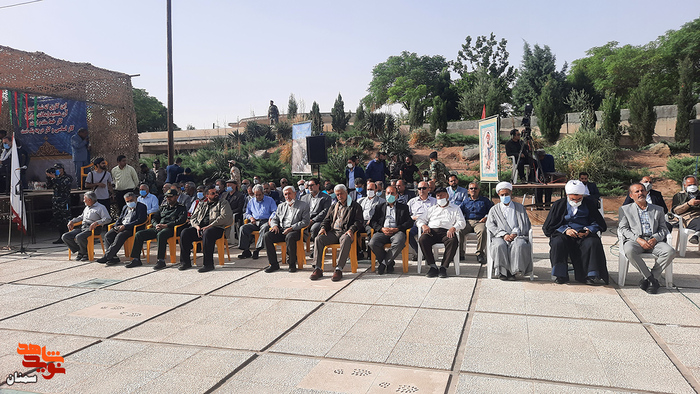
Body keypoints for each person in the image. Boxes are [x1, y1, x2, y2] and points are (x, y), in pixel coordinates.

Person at [543, 180, 608, 285]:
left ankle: (589, 275)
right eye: (573, 199)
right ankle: (560, 275)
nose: (576, 201)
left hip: (584, 235)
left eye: (579, 199)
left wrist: (588, 230)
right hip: (564, 234)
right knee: (558, 242)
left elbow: (598, 222)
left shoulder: (590, 204)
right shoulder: (559, 204)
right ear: (567, 195)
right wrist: (566, 230)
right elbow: (550, 225)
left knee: (592, 243)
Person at [619, 183, 675, 294]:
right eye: (637, 192)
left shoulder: (658, 209)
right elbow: (623, 229)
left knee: (670, 251)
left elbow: (664, 229)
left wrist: (654, 239)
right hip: (635, 241)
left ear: (646, 192)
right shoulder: (625, 209)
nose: (640, 193)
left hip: (654, 241)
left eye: (642, 191)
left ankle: (649, 278)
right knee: (629, 250)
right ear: (631, 195)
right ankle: (652, 280)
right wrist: (638, 240)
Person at [310, 184, 363, 281]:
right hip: (333, 232)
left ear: (346, 192)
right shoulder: (334, 206)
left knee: (346, 239)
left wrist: (351, 229)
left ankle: (339, 269)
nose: (339, 196)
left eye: (341, 194)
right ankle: (318, 268)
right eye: (337, 195)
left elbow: (358, 221)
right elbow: (326, 220)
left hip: (345, 232)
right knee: (318, 239)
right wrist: (323, 228)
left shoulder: (355, 206)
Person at [125, 189, 188, 269]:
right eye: (167, 197)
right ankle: (136, 259)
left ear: (176, 197)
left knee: (161, 235)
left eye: (171, 197)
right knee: (139, 234)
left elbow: (181, 220)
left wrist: (166, 225)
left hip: (171, 229)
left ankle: (161, 260)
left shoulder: (181, 208)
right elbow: (154, 218)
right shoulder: (163, 207)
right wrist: (156, 225)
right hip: (159, 227)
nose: (168, 198)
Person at [179, 185, 233, 272]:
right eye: (213, 193)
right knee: (185, 232)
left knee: (208, 233)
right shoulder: (202, 205)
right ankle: (185, 262)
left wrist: (209, 226)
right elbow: (193, 218)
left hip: (217, 228)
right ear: (207, 195)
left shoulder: (223, 203)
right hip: (201, 228)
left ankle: (208, 264)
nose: (216, 194)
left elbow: (225, 217)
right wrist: (197, 227)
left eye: (216, 192)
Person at [486, 182, 532, 280]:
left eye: (507, 194)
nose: (505, 196)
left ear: (511, 193)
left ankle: (513, 272)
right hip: (500, 236)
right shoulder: (494, 209)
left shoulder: (519, 207)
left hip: (517, 235)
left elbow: (524, 223)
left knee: (520, 245)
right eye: (502, 195)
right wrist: (503, 234)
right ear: (499, 195)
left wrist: (515, 233)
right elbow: (490, 224)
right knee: (499, 245)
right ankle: (502, 272)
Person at [416, 187, 466, 278]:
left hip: (447, 232)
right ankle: (432, 266)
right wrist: (424, 225)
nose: (439, 197)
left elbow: (462, 222)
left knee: (453, 241)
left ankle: (444, 267)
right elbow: (420, 220)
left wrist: (454, 228)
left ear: (447, 196)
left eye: (441, 195)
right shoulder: (432, 209)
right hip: (432, 231)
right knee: (423, 239)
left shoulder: (455, 208)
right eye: (437, 196)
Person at [263, 186, 310, 273]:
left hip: (295, 230)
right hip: (282, 229)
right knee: (267, 236)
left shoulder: (303, 205)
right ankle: (273, 264)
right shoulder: (281, 206)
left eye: (289, 194)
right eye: (285, 194)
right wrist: (275, 226)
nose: (288, 196)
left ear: (295, 194)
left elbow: (305, 221)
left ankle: (292, 264)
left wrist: (292, 228)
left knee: (290, 236)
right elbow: (274, 219)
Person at [368, 186, 414, 274]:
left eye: (392, 193)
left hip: (397, 231)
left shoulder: (403, 207)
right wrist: (381, 229)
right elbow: (373, 222)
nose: (390, 195)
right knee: (372, 243)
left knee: (399, 241)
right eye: (388, 193)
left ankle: (384, 263)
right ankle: (389, 262)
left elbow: (409, 222)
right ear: (385, 194)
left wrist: (397, 228)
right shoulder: (379, 207)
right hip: (383, 231)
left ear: (396, 195)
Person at [100, 192, 148, 265]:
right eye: (127, 201)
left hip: (132, 228)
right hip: (122, 226)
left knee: (120, 236)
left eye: (131, 200)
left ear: (135, 199)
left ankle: (107, 256)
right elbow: (121, 218)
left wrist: (125, 226)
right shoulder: (125, 207)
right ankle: (113, 258)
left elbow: (141, 220)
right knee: (108, 235)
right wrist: (116, 226)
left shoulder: (141, 206)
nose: (129, 203)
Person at [63, 192, 112, 261]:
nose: (83, 201)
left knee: (79, 237)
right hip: (83, 227)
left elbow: (108, 219)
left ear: (89, 200)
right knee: (66, 236)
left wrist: (97, 222)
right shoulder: (87, 208)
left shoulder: (101, 207)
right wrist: (72, 221)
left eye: (84, 199)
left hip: (94, 228)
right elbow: (81, 217)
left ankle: (85, 253)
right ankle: (82, 251)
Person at [239, 184, 277, 259]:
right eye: (256, 195)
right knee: (243, 228)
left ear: (263, 193)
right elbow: (247, 213)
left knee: (265, 228)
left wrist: (271, 218)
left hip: (266, 221)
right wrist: (251, 217)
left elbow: (275, 211)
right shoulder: (251, 201)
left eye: (260, 195)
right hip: (255, 222)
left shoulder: (270, 200)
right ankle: (246, 250)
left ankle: (257, 250)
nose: (258, 197)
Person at [459, 182, 494, 264]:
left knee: (482, 231)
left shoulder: (484, 200)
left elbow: (492, 211)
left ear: (479, 190)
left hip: (480, 221)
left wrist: (486, 217)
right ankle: (460, 253)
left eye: (475, 188)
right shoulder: (465, 201)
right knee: (459, 231)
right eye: (471, 188)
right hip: (468, 221)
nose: (473, 190)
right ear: (468, 191)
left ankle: (480, 254)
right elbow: (459, 212)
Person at [408, 181, 437, 259]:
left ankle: (426, 254)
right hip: (416, 223)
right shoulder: (412, 201)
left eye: (424, 188)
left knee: (427, 236)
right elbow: (406, 215)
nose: (421, 190)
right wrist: (413, 217)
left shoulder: (434, 201)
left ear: (428, 189)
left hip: (429, 223)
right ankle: (420, 252)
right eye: (419, 188)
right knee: (407, 234)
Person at [46, 163, 74, 244]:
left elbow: (63, 186)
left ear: (62, 169)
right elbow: (49, 186)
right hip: (56, 202)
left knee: (66, 219)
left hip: (64, 201)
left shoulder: (67, 178)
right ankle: (61, 237)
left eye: (59, 169)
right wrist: (48, 177)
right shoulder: (55, 178)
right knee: (58, 220)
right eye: (56, 169)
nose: (58, 171)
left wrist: (54, 178)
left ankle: (69, 237)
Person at [300, 178, 332, 243]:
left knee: (314, 228)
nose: (310, 187)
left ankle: (315, 248)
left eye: (312, 185)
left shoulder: (326, 197)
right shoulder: (304, 198)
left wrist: (313, 220)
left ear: (318, 185)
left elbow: (325, 211)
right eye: (308, 186)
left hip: (319, 220)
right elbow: (301, 210)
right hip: (306, 219)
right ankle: (296, 249)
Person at [672, 175, 700, 244]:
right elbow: (675, 211)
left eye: (694, 184)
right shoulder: (678, 196)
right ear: (684, 185)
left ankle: (697, 234)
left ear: (697, 184)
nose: (692, 187)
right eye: (690, 185)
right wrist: (688, 204)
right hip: (688, 219)